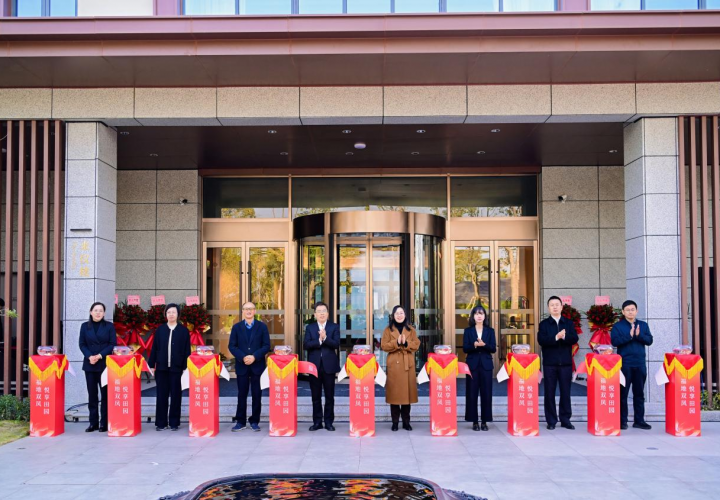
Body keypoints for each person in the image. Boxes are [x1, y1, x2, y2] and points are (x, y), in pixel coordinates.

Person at [537, 296, 579, 430]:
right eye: (552, 305)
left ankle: (565, 420)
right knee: (549, 392)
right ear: (548, 308)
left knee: (565, 392)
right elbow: (541, 340)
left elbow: (574, 338)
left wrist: (564, 336)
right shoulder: (544, 324)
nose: (555, 307)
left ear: (561, 307)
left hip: (565, 363)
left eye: (557, 305)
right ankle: (551, 420)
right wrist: (556, 337)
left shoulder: (568, 323)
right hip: (550, 363)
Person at [611, 299, 653, 430]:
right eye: (628, 310)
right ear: (623, 312)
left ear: (636, 311)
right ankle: (622, 421)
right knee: (622, 394)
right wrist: (629, 336)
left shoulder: (643, 325)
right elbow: (614, 342)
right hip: (625, 364)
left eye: (632, 309)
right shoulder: (618, 326)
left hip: (639, 363)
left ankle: (639, 420)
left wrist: (639, 336)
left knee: (639, 394)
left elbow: (649, 340)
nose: (630, 312)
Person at [228, 301, 270, 432]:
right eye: (246, 309)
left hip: (257, 365)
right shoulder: (236, 327)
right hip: (242, 365)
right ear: (242, 312)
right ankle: (240, 421)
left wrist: (254, 357)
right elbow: (232, 346)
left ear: (255, 311)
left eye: (251, 309)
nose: (248, 311)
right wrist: (243, 357)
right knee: (242, 394)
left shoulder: (262, 327)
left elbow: (266, 346)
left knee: (257, 395)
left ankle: (254, 421)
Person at [148, 303, 191, 431]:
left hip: (177, 368)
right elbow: (154, 348)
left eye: (173, 312)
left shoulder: (183, 331)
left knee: (176, 396)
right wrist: (151, 364)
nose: (171, 314)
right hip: (161, 368)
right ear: (165, 314)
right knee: (161, 395)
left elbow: (187, 350)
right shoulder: (160, 330)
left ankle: (174, 423)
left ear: (178, 314)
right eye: (169, 312)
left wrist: (186, 367)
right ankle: (161, 423)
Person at [381, 305, 420, 431]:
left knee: (407, 396)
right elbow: (384, 346)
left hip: (407, 365)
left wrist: (406, 343)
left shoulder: (411, 329)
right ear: (393, 315)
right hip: (394, 364)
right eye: (397, 313)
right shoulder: (388, 330)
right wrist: (396, 343)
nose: (399, 315)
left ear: (405, 315)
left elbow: (416, 344)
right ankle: (395, 422)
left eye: (401, 313)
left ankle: (406, 422)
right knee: (394, 395)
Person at [78, 302, 117, 432]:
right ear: (91, 312)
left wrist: (100, 356)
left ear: (104, 313)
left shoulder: (109, 326)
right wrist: (90, 356)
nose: (98, 313)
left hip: (104, 364)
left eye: (101, 310)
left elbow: (112, 344)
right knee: (92, 395)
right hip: (89, 364)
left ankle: (104, 423)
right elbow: (82, 344)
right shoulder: (84, 326)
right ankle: (93, 423)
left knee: (105, 395)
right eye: (96, 310)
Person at [303, 301, 340, 432]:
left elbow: (336, 344)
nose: (322, 313)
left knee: (329, 396)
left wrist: (325, 338)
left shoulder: (334, 327)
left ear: (328, 313)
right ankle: (317, 422)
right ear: (315, 314)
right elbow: (306, 345)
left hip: (329, 367)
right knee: (315, 396)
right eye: (319, 311)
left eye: (324, 311)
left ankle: (329, 422)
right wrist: (319, 341)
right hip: (314, 367)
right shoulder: (310, 327)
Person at [463, 305, 496, 431]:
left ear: (485, 316)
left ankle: (484, 422)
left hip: (486, 366)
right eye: (476, 313)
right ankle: (474, 422)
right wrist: (474, 345)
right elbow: (465, 348)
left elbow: (493, 348)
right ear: (473, 316)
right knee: (472, 393)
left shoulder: (490, 331)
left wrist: (484, 345)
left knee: (486, 394)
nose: (479, 316)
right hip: (472, 365)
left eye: (481, 313)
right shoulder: (468, 331)